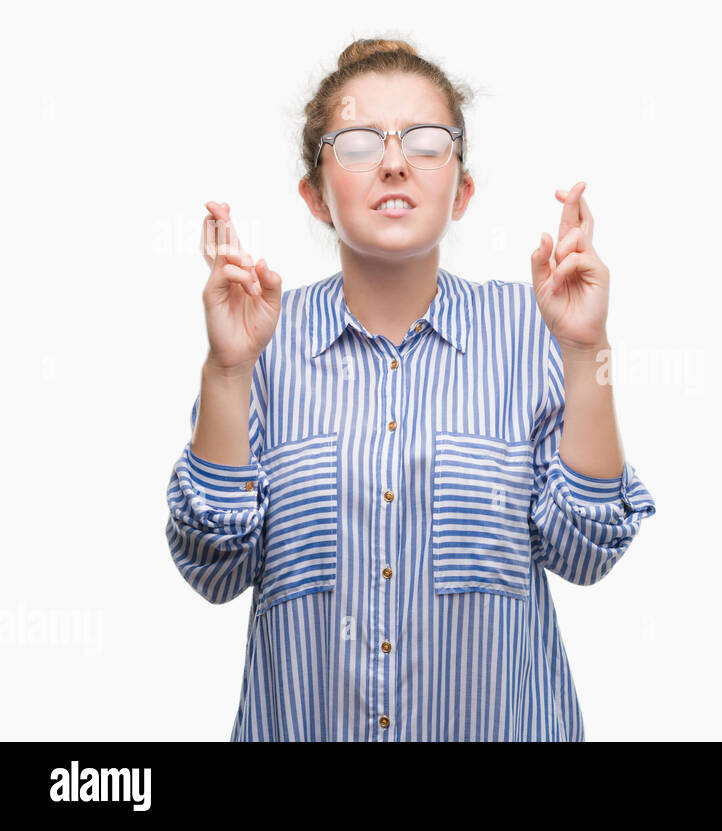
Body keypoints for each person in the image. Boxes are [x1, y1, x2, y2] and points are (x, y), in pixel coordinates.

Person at [164, 37, 657, 741]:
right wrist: (228, 370)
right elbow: (212, 570)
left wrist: (585, 350)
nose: (394, 161)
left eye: (426, 141)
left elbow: (588, 551)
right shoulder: (259, 340)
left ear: (462, 191)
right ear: (315, 194)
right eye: (359, 143)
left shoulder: (527, 329)